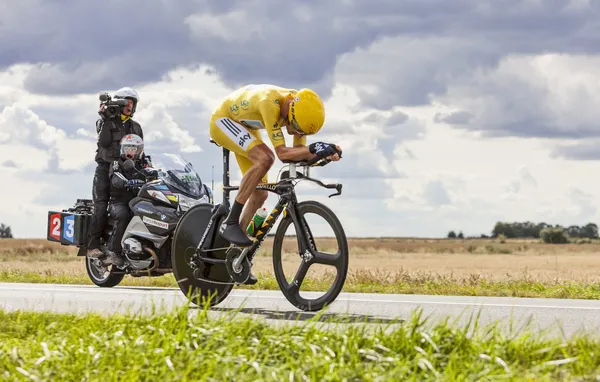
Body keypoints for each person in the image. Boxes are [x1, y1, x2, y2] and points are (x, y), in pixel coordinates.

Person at [209, 84, 343, 248]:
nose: (297, 134)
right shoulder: (270, 103)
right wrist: (313, 149)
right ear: (290, 111)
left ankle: (236, 255)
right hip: (224, 120)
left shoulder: (298, 109)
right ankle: (230, 223)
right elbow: (283, 154)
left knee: (260, 194)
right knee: (266, 158)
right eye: (298, 128)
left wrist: (324, 152)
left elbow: (299, 152)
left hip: (245, 126)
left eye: (303, 133)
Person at [87, 87, 144, 259]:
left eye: (132, 103)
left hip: (127, 169)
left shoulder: (135, 127)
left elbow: (140, 150)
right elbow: (104, 144)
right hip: (105, 169)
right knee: (101, 207)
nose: (129, 106)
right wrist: (105, 118)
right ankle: (92, 246)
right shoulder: (104, 122)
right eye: (127, 102)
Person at [104, 134, 150, 266]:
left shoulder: (145, 162)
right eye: (127, 148)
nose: (129, 151)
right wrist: (127, 182)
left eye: (133, 148)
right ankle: (114, 251)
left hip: (138, 199)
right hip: (118, 201)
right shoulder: (116, 163)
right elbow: (116, 177)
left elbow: (153, 172)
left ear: (139, 150)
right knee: (123, 215)